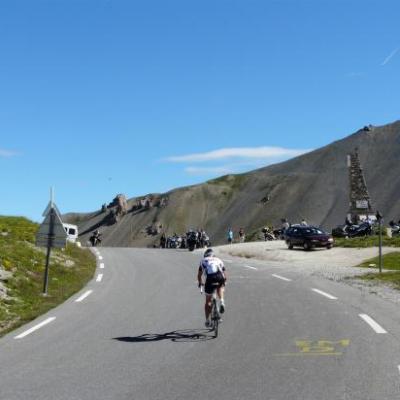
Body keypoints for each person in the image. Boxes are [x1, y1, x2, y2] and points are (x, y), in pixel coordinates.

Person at [197, 248, 227, 327]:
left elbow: (199, 275)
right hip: (220, 277)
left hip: (210, 279)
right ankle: (222, 301)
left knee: (208, 301)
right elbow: (224, 273)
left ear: (205, 255)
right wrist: (224, 282)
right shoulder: (218, 260)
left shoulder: (203, 260)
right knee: (220, 288)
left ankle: (207, 320)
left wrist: (200, 283)